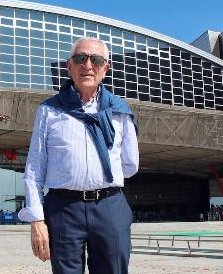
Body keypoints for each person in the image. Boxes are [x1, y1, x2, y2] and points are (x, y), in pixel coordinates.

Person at [18, 37, 139, 274]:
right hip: (64, 209)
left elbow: (130, 164)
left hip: (110, 207)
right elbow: (35, 168)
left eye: (96, 60)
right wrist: (37, 220)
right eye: (80, 58)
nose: (88, 65)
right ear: (69, 66)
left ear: (106, 68)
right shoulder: (49, 110)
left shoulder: (120, 112)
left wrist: (98, 179)